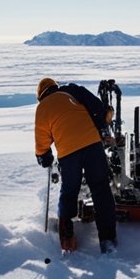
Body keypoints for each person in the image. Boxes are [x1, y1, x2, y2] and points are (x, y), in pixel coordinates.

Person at [34, 77, 118, 253]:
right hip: (92, 143)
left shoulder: (42, 108)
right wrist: (102, 126)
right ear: (54, 87)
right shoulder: (72, 91)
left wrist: (44, 156)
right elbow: (96, 107)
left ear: (41, 96)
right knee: (101, 188)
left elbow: (42, 139)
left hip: (68, 152)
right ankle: (107, 241)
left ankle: (67, 240)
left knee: (69, 191)